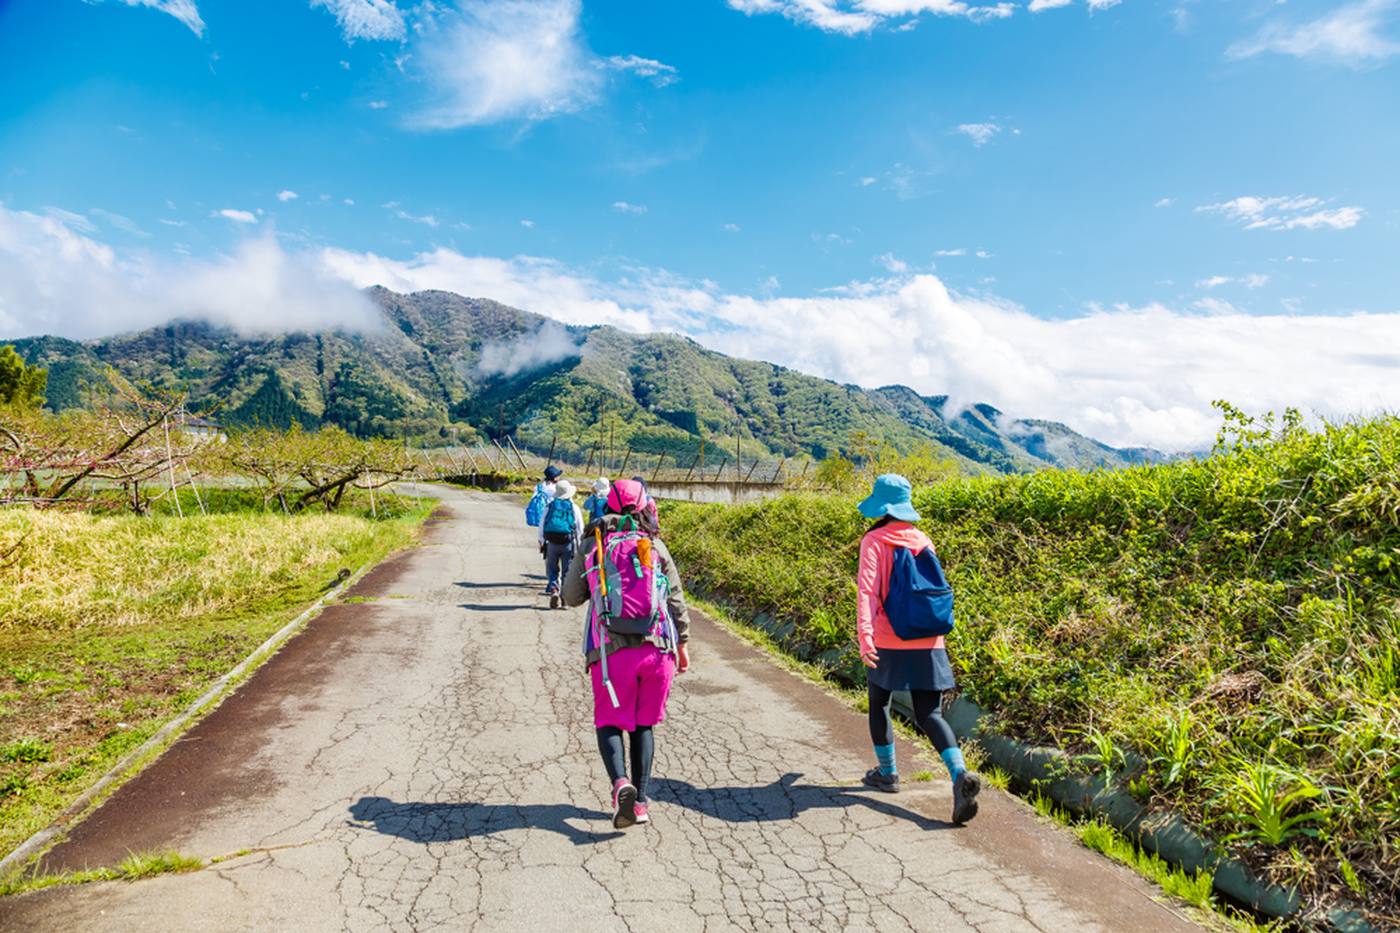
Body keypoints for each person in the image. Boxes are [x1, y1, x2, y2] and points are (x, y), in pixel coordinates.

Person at [561, 478, 690, 829]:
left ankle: (621, 785)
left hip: (610, 652)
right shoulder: (655, 545)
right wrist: (683, 644)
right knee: (644, 726)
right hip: (657, 649)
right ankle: (643, 803)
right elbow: (676, 599)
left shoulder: (595, 542)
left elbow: (571, 596)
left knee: (609, 723)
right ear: (644, 505)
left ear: (609, 505)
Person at [855, 473, 981, 825]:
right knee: (931, 714)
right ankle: (959, 776)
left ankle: (888, 774)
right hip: (928, 640)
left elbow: (867, 592)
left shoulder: (875, 540)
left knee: (879, 703)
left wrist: (866, 638)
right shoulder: (922, 539)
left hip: (887, 638)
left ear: (881, 506)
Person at [539, 480, 583, 609]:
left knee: (552, 569)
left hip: (551, 542)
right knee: (567, 571)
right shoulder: (573, 507)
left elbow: (542, 524)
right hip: (568, 543)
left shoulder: (549, 506)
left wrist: (541, 541)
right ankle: (564, 599)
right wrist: (579, 545)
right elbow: (580, 528)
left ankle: (553, 590)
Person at [525, 465, 562, 533]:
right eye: (558, 475)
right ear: (554, 478)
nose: (559, 477)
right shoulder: (554, 489)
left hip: (541, 515)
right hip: (551, 515)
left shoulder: (539, 487)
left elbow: (533, 498)